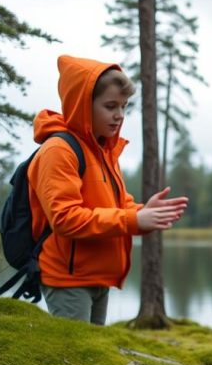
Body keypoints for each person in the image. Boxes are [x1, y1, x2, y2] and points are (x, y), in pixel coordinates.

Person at [28, 55, 188, 325]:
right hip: (69, 280)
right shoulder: (59, 151)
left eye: (124, 106)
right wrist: (133, 219)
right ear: (82, 105)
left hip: (97, 277)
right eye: (110, 106)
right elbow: (65, 219)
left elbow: (118, 206)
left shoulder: (103, 150)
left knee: (91, 361)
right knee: (77, 360)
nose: (119, 115)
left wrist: (143, 213)